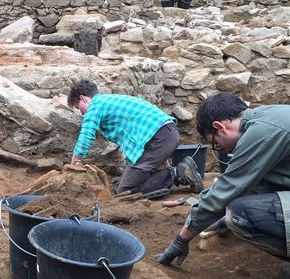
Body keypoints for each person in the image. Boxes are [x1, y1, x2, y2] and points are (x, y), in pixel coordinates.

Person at [156, 93, 290, 279]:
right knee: (241, 209)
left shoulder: (261, 131)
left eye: (216, 143)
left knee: (240, 214)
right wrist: (217, 217)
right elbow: (259, 185)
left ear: (220, 127)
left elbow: (226, 189)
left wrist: (181, 239)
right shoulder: (269, 116)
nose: (222, 148)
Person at [67, 79, 203, 196]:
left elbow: (86, 135)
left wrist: (74, 163)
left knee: (125, 190)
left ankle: (178, 173)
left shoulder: (95, 106)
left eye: (79, 108)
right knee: (120, 182)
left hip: (159, 138)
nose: (82, 113)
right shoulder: (108, 101)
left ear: (82, 98)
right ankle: (164, 173)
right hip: (162, 134)